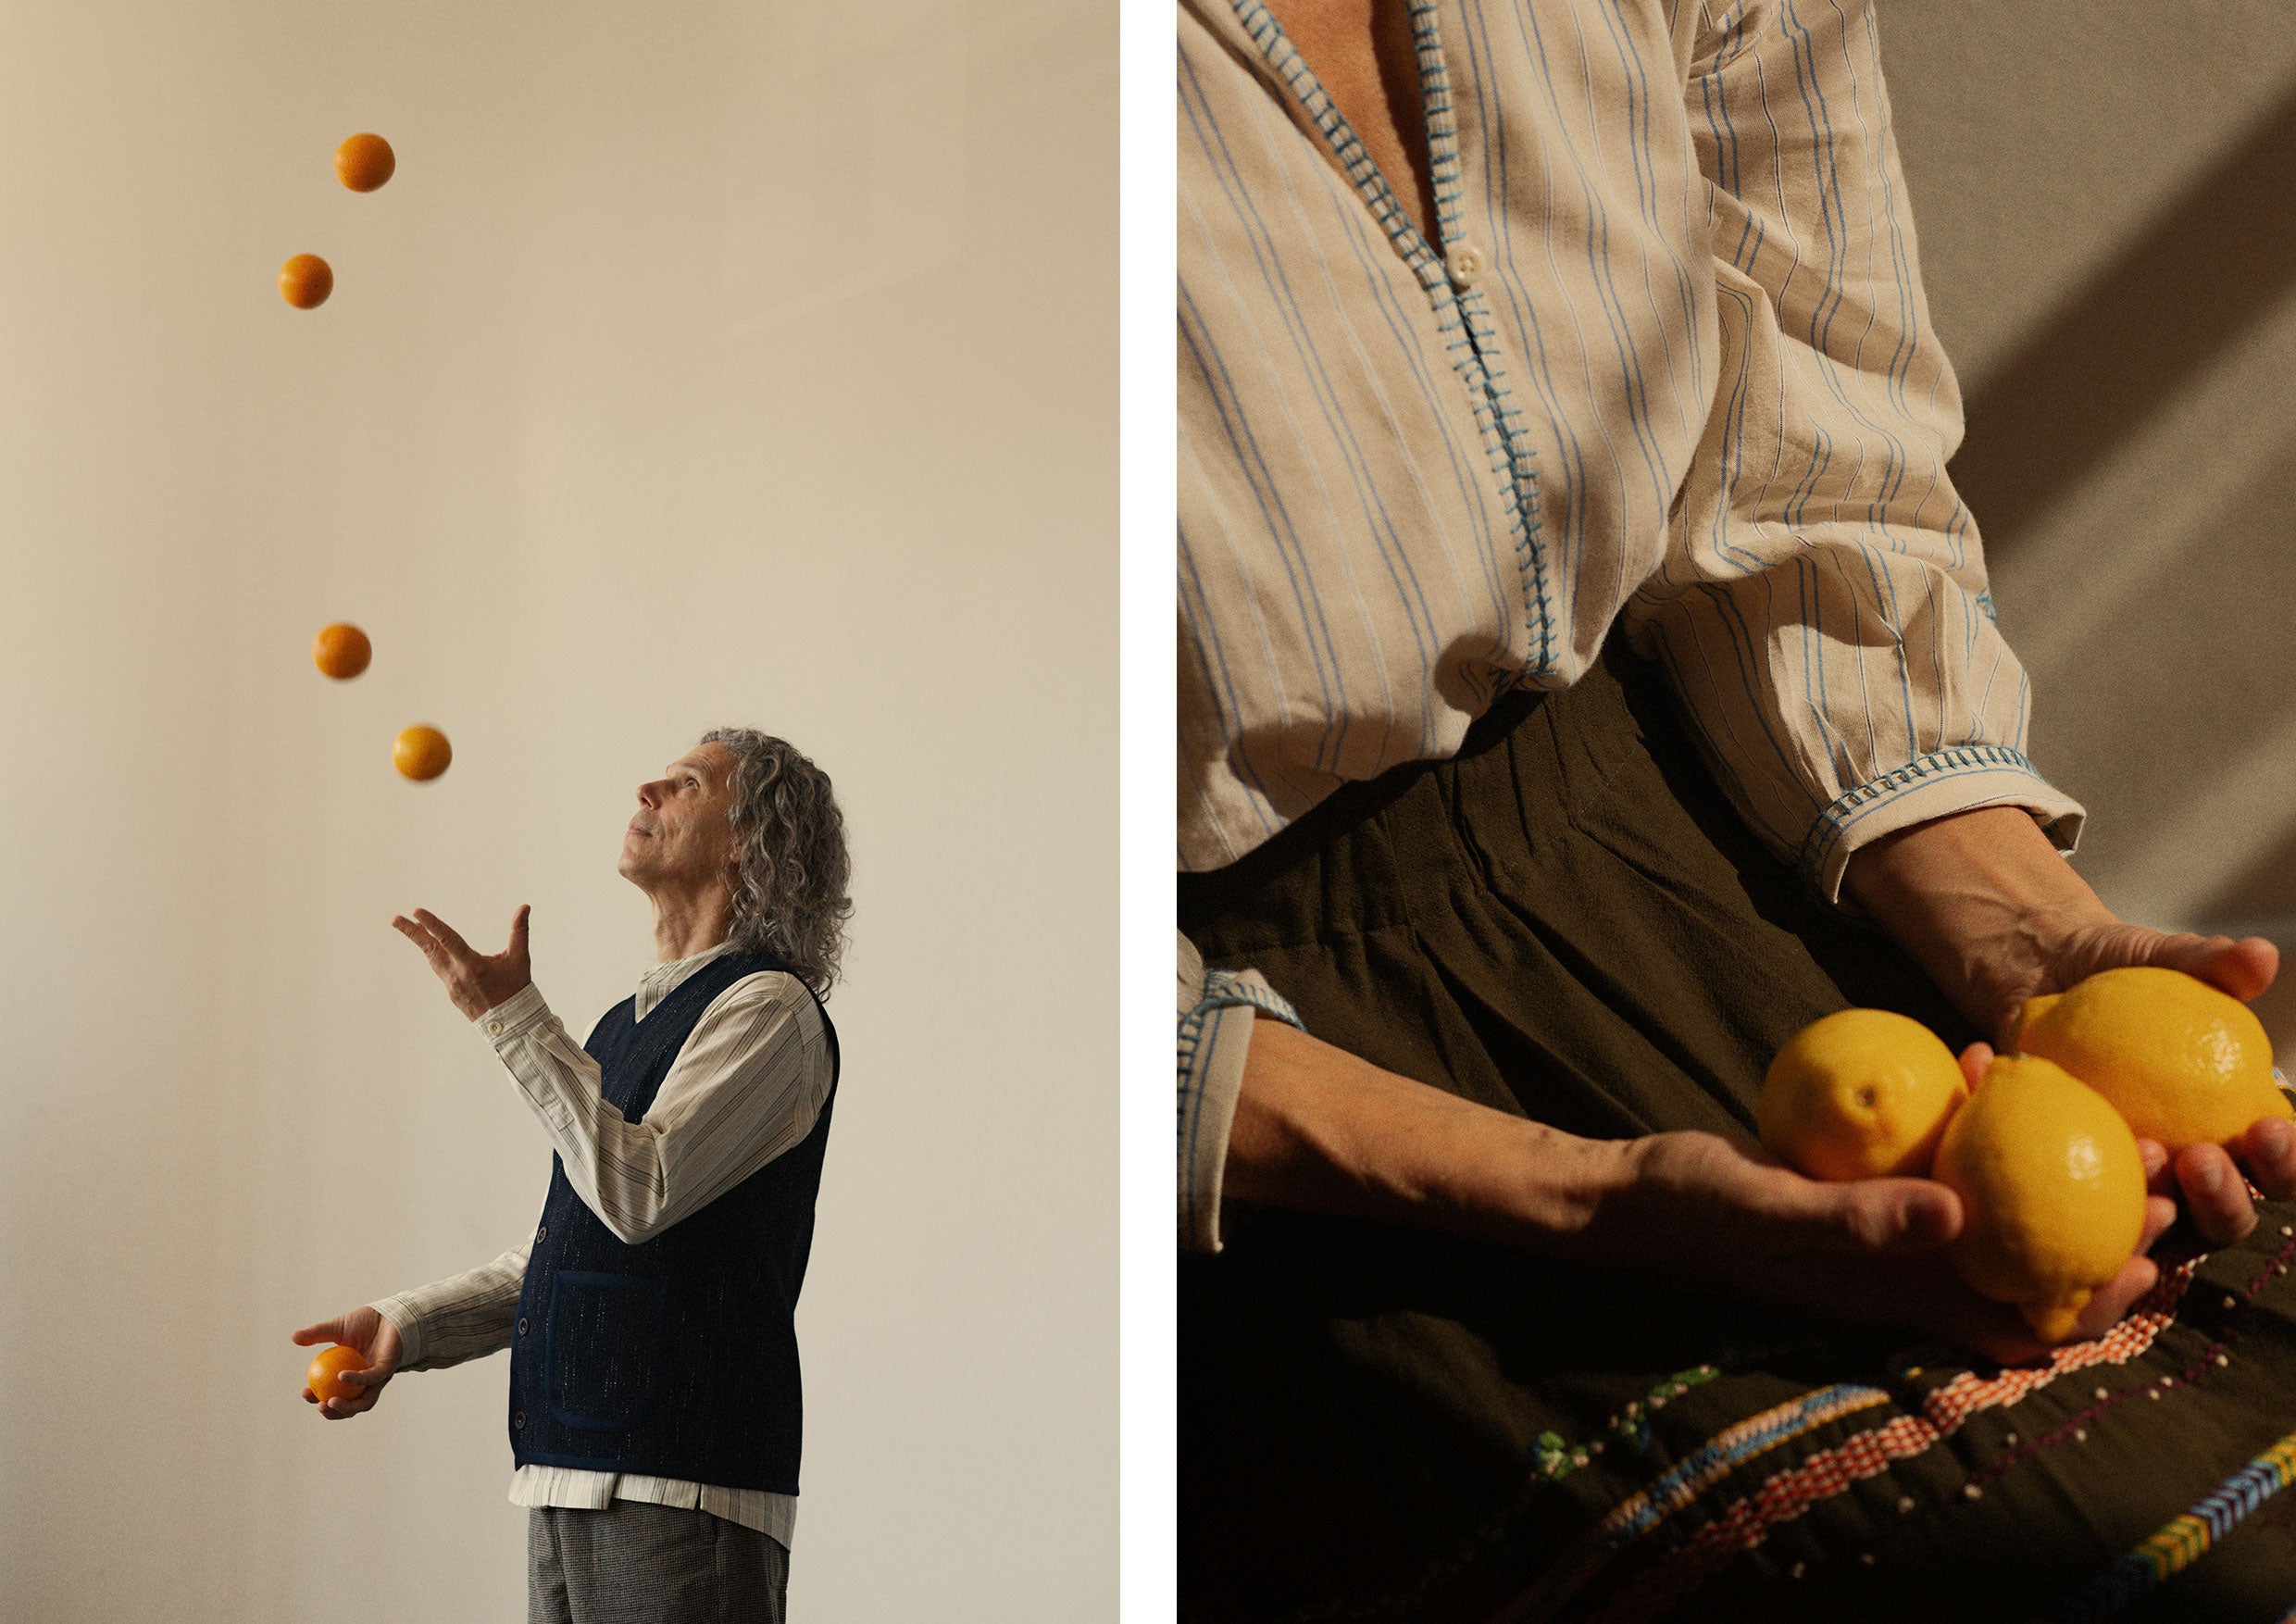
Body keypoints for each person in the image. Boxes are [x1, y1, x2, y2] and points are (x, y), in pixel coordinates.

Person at [1177, 2, 2296, 1619]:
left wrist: (2031, 938)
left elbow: (1811, 486)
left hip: (1708, 874)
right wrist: (1594, 1198)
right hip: (1265, 1121)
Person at [293, 729, 850, 1624]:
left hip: (684, 1488)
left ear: (749, 837)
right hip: (566, 1478)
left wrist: (510, 1019)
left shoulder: (770, 1010)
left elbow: (641, 1195)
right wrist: (410, 1323)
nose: (648, 788)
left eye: (686, 783)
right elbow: (577, 1245)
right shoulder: (619, 1026)